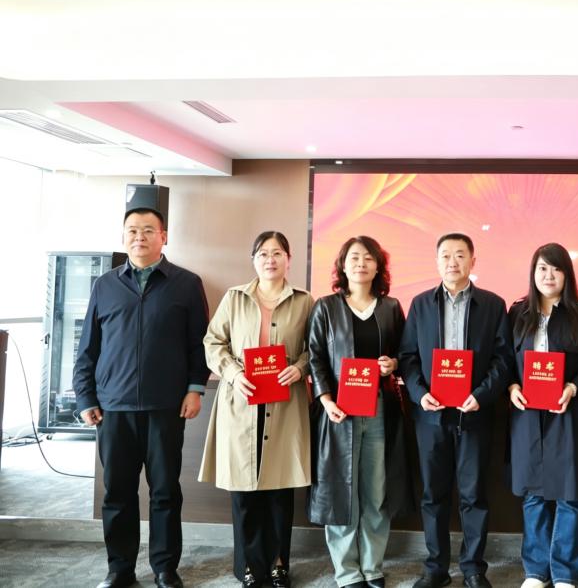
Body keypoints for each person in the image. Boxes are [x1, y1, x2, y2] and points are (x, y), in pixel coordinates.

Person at [73, 207, 209, 588]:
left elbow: (199, 344)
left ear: (164, 236)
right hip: (113, 407)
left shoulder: (186, 283)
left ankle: (165, 567)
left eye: (149, 230)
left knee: (165, 491)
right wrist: (85, 398)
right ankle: (120, 568)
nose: (140, 237)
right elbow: (88, 348)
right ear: (123, 237)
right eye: (132, 230)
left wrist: (195, 388)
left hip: (166, 406)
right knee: (118, 492)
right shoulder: (105, 285)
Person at [398, 233, 514, 588]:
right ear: (437, 262)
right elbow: (408, 357)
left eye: (460, 255)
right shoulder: (420, 304)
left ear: (473, 261)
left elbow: (503, 358)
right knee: (433, 494)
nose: (453, 262)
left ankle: (474, 568)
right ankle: (435, 568)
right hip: (430, 416)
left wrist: (482, 394)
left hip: (474, 413)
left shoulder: (493, 305)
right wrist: (419, 394)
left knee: (473, 495)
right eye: (446, 255)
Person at [199, 231, 313, 587]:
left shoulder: (305, 301)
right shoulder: (234, 298)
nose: (270, 259)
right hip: (241, 402)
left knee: (280, 489)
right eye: (263, 253)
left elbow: (317, 347)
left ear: (288, 259)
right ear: (253, 259)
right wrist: (233, 373)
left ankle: (279, 563)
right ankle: (249, 565)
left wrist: (301, 368)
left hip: (285, 404)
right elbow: (213, 342)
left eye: (277, 253)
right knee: (243, 491)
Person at [306, 236, 414, 588]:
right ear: (342, 264)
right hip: (339, 412)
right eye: (354, 257)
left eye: (368, 258)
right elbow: (315, 358)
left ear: (378, 266)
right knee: (342, 490)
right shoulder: (326, 307)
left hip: (380, 409)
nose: (361, 264)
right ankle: (347, 571)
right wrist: (326, 400)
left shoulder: (391, 307)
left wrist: (393, 363)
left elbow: (406, 354)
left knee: (375, 491)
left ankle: (372, 566)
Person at [507, 243, 578, 588]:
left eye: (556, 268)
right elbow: (503, 358)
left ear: (567, 274)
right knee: (533, 494)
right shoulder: (517, 312)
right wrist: (511, 387)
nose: (548, 275)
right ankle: (536, 571)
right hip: (526, 414)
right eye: (542, 268)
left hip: (568, 412)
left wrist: (574, 387)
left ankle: (564, 573)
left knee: (569, 494)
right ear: (533, 273)